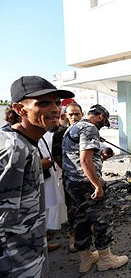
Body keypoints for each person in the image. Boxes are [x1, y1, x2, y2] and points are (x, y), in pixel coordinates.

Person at [0, 75, 74, 277]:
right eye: (43, 103)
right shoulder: (11, 148)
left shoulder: (28, 143)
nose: (55, 109)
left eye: (57, 103)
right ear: (19, 109)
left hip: (31, 255)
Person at [62, 104, 128, 273]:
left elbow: (75, 158)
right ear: (100, 116)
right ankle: (105, 259)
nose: (102, 125)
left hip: (72, 183)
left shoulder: (71, 129)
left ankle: (85, 260)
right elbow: (85, 161)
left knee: (80, 220)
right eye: (104, 122)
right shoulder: (89, 128)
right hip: (86, 184)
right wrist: (97, 185)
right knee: (101, 220)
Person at [52, 102, 84, 253]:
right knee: (73, 209)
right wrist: (70, 170)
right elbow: (57, 156)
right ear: (65, 116)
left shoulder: (85, 131)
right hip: (70, 178)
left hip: (87, 178)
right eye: (71, 114)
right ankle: (73, 237)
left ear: (82, 115)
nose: (74, 117)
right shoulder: (60, 133)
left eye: (77, 114)